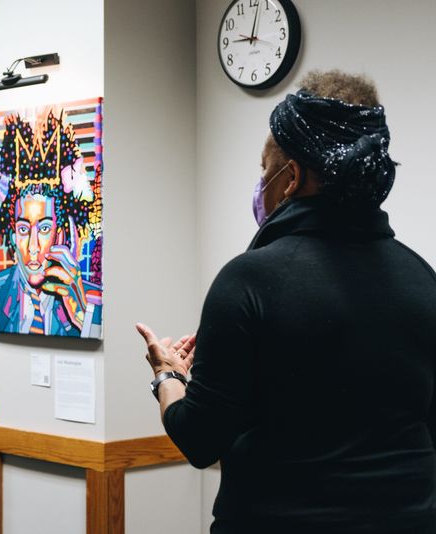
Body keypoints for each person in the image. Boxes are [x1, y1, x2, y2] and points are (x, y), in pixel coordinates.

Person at [138, 70, 436, 533]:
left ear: (291, 176)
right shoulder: (422, 279)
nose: (262, 184)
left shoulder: (250, 280)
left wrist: (168, 377)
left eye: (265, 169)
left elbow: (200, 440)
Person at [0, 110, 103, 337]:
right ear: (12, 237)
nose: (33, 247)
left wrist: (80, 315)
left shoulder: (91, 302)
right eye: (23, 229)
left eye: (45, 228)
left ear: (60, 236)